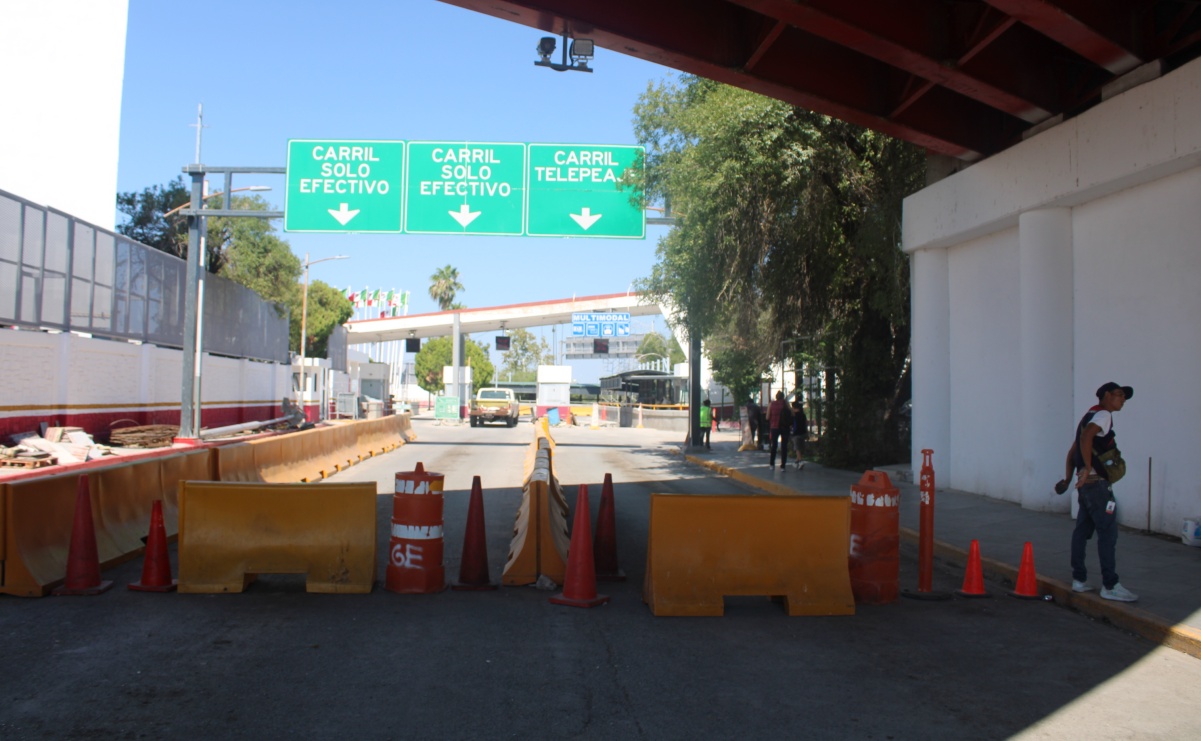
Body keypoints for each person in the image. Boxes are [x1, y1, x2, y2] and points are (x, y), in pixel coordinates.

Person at [1068, 382, 1138, 602]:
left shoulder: (1088, 415)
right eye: (1119, 395)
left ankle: (1079, 580)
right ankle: (1110, 585)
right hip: (1097, 485)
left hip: (1085, 485)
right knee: (1108, 533)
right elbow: (1086, 438)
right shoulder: (1103, 415)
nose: (1123, 399)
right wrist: (1088, 468)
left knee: (1082, 531)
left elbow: (1074, 449)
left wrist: (1068, 477)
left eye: (1124, 397)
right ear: (1106, 395)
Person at [767, 391, 792, 470]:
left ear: (776, 397)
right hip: (785, 427)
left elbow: (767, 417)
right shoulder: (786, 404)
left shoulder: (771, 404)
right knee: (784, 446)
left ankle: (771, 464)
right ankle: (783, 466)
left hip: (774, 427)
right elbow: (792, 414)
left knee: (774, 445)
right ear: (783, 397)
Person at [790, 400, 807, 470]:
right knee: (801, 447)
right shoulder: (803, 415)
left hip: (796, 434)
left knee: (797, 448)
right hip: (803, 433)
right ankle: (797, 461)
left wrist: (792, 431)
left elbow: (793, 426)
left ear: (794, 408)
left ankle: (800, 461)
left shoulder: (794, 416)